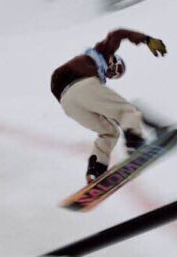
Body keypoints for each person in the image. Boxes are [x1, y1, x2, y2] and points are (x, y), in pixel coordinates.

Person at [50, 29, 167, 183]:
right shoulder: (102, 53)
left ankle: (96, 170)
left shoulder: (96, 74)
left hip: (67, 102)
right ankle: (134, 144)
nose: (114, 73)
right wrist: (146, 39)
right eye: (117, 68)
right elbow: (118, 34)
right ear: (114, 60)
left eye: (116, 75)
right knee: (127, 111)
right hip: (81, 85)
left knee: (109, 131)